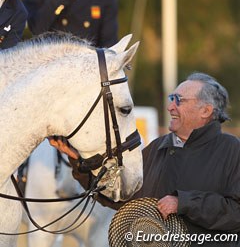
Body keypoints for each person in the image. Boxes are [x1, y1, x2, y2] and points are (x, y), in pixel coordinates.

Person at [51, 72, 240, 246]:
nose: (170, 106)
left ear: (205, 111)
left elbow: (236, 213)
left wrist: (184, 203)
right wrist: (81, 162)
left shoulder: (233, 150)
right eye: (171, 98)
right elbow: (122, 195)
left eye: (178, 100)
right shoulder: (158, 147)